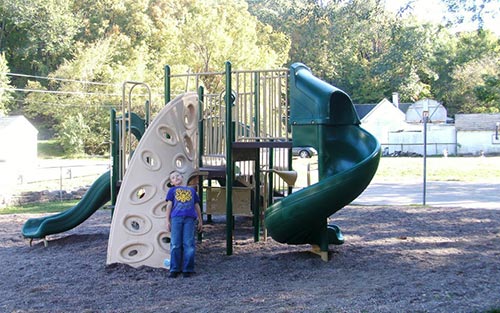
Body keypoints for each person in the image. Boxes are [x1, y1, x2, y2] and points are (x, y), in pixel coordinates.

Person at [165, 170, 203, 278]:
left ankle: (188, 269)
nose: (176, 178)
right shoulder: (172, 191)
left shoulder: (191, 190)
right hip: (176, 218)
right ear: (171, 182)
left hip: (189, 219)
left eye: (177, 176)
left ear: (182, 177)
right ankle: (174, 269)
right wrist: (167, 220)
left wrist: (200, 220)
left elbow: (197, 206)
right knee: (176, 243)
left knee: (189, 243)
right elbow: (169, 206)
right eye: (173, 177)